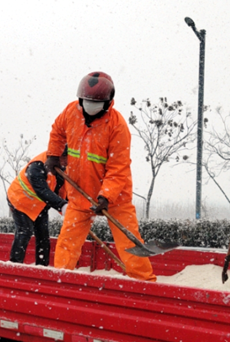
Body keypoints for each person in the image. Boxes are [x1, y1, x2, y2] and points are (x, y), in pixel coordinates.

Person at [44, 71, 156, 282]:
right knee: (67, 242)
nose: (89, 106)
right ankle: (60, 281)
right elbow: (57, 131)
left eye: (95, 102)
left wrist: (106, 196)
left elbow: (118, 167)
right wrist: (53, 155)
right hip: (78, 193)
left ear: (108, 102)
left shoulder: (117, 126)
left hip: (116, 198)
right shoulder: (71, 112)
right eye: (87, 101)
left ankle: (144, 282)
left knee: (129, 242)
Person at [6, 149, 68, 266]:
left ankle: (42, 268)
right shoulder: (37, 167)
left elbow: (61, 190)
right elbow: (42, 190)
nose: (67, 162)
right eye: (65, 158)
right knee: (25, 232)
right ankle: (14, 265)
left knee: (43, 237)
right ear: (58, 155)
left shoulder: (60, 168)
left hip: (39, 205)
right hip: (20, 200)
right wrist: (62, 205)